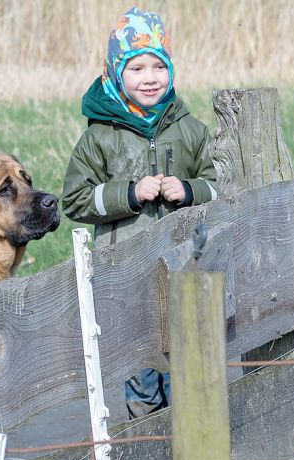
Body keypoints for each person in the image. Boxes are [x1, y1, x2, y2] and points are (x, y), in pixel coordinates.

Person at [62, 7, 218, 419]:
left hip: (187, 269)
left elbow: (221, 184)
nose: (149, 77)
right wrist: (129, 194)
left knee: (190, 372)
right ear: (116, 72)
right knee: (143, 377)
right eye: (136, 68)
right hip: (128, 277)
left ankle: (197, 458)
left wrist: (188, 190)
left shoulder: (190, 130)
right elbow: (75, 199)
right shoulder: (99, 137)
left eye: (158, 66)